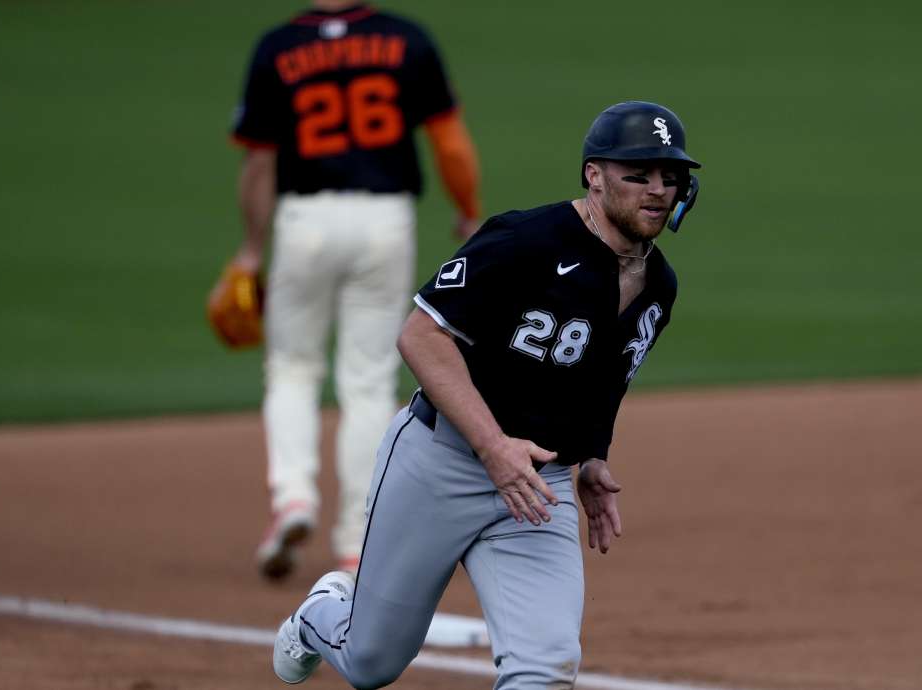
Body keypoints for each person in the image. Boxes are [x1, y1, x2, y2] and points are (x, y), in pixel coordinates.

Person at [271, 100, 702, 689]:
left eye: (669, 176)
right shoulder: (524, 240)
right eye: (638, 174)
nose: (657, 190)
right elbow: (421, 337)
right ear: (594, 176)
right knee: (372, 663)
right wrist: (493, 446)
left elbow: (606, 378)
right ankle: (321, 612)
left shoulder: (659, 284)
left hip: (535, 487)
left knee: (545, 667)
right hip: (439, 462)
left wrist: (594, 456)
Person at [224, 1, 482, 580]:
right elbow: (450, 143)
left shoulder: (278, 48)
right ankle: (355, 540)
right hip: (385, 224)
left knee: (292, 368)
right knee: (366, 381)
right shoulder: (406, 39)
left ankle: (293, 498)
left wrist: (248, 250)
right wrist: (467, 209)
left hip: (304, 223)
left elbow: (260, 164)